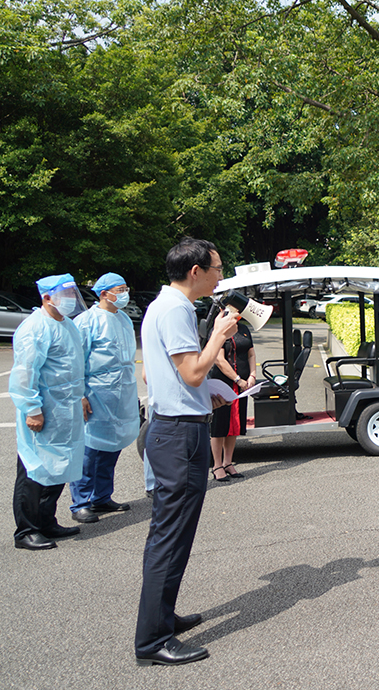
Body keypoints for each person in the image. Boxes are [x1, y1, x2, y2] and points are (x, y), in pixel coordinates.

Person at [135, 238, 238, 666]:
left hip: (176, 429)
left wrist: (205, 396)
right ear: (195, 271)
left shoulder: (164, 305)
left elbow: (179, 379)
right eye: (216, 268)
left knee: (172, 534)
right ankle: (152, 641)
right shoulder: (177, 309)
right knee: (170, 537)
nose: (220, 275)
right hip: (178, 437)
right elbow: (193, 372)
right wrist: (217, 335)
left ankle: (162, 618)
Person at [9, 274, 89, 551]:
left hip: (66, 408)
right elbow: (25, 373)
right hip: (44, 409)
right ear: (46, 298)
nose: (69, 299)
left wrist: (79, 397)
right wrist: (32, 409)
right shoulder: (34, 328)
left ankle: (46, 521)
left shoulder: (68, 326)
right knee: (34, 470)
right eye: (63, 294)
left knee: (59, 466)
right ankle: (26, 530)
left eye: (71, 293)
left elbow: (74, 366)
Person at [68, 273, 141, 524]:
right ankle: (81, 502)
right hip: (96, 392)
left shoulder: (123, 319)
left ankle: (102, 496)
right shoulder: (86, 322)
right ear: (103, 293)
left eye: (125, 288)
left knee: (113, 444)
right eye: (119, 290)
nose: (124, 294)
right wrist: (80, 395)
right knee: (89, 449)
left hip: (120, 393)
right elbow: (76, 361)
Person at [209, 319, 256, 481]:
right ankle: (217, 465)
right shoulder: (219, 330)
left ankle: (228, 462)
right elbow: (219, 359)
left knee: (235, 424)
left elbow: (251, 353)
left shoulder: (243, 328)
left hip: (242, 384)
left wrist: (252, 375)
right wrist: (238, 379)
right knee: (219, 424)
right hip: (224, 383)